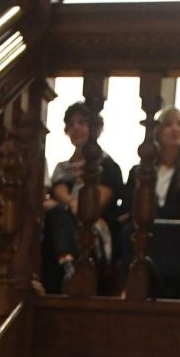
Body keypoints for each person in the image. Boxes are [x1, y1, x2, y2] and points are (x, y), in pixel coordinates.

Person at [41, 100, 126, 293]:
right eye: (71, 124)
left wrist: (67, 203)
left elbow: (91, 206)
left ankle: (69, 265)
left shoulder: (108, 167)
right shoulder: (62, 168)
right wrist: (69, 201)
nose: (76, 128)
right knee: (56, 216)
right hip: (63, 226)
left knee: (58, 214)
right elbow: (58, 191)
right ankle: (66, 264)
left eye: (82, 122)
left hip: (93, 229)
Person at [121, 106, 180, 295]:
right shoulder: (138, 171)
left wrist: (155, 211)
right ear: (158, 133)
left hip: (172, 235)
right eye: (168, 124)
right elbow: (129, 205)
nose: (176, 129)